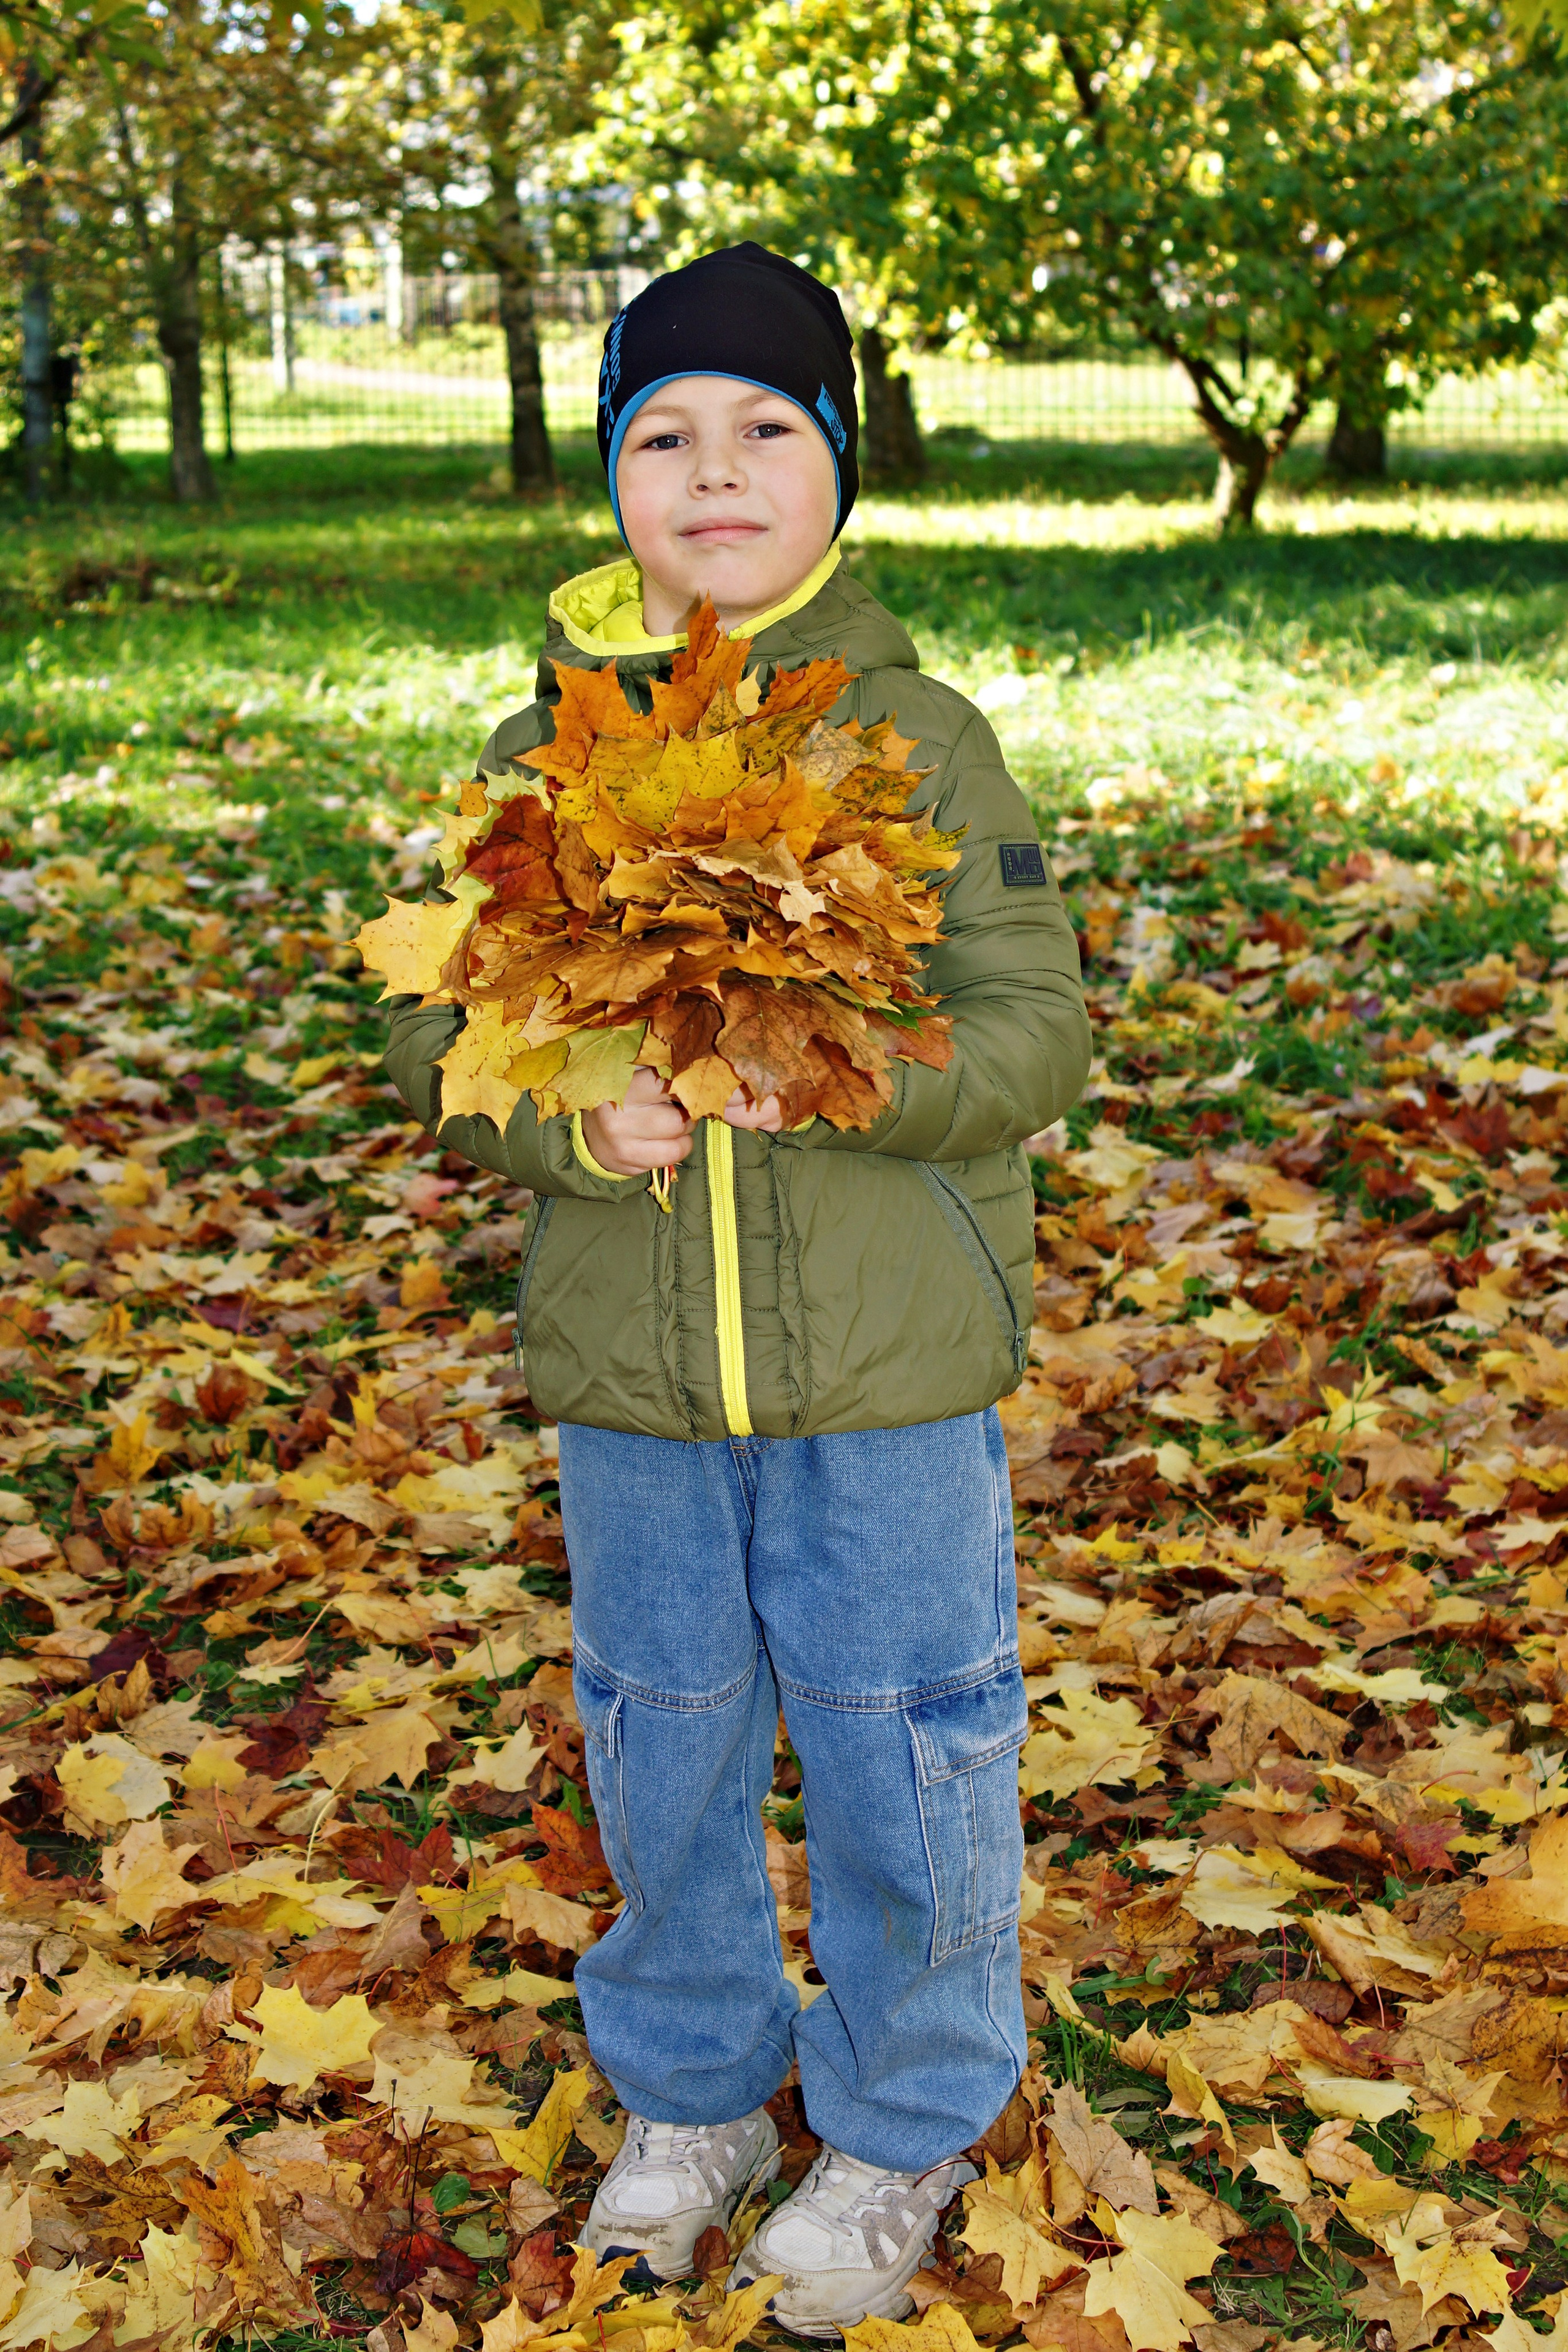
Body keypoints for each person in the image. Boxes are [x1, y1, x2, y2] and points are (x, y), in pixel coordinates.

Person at [385, 243, 1091, 2339]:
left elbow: (1037, 1036)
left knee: (907, 1739)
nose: (714, 469)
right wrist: (559, 1124)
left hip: (885, 1375)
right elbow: (445, 1041)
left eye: (767, 427)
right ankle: (690, 2093)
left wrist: (847, 1078)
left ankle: (902, 2118)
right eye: (663, 432)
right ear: (610, 477)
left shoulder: (924, 738)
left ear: (839, 472)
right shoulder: (547, 746)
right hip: (635, 1385)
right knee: (664, 1741)